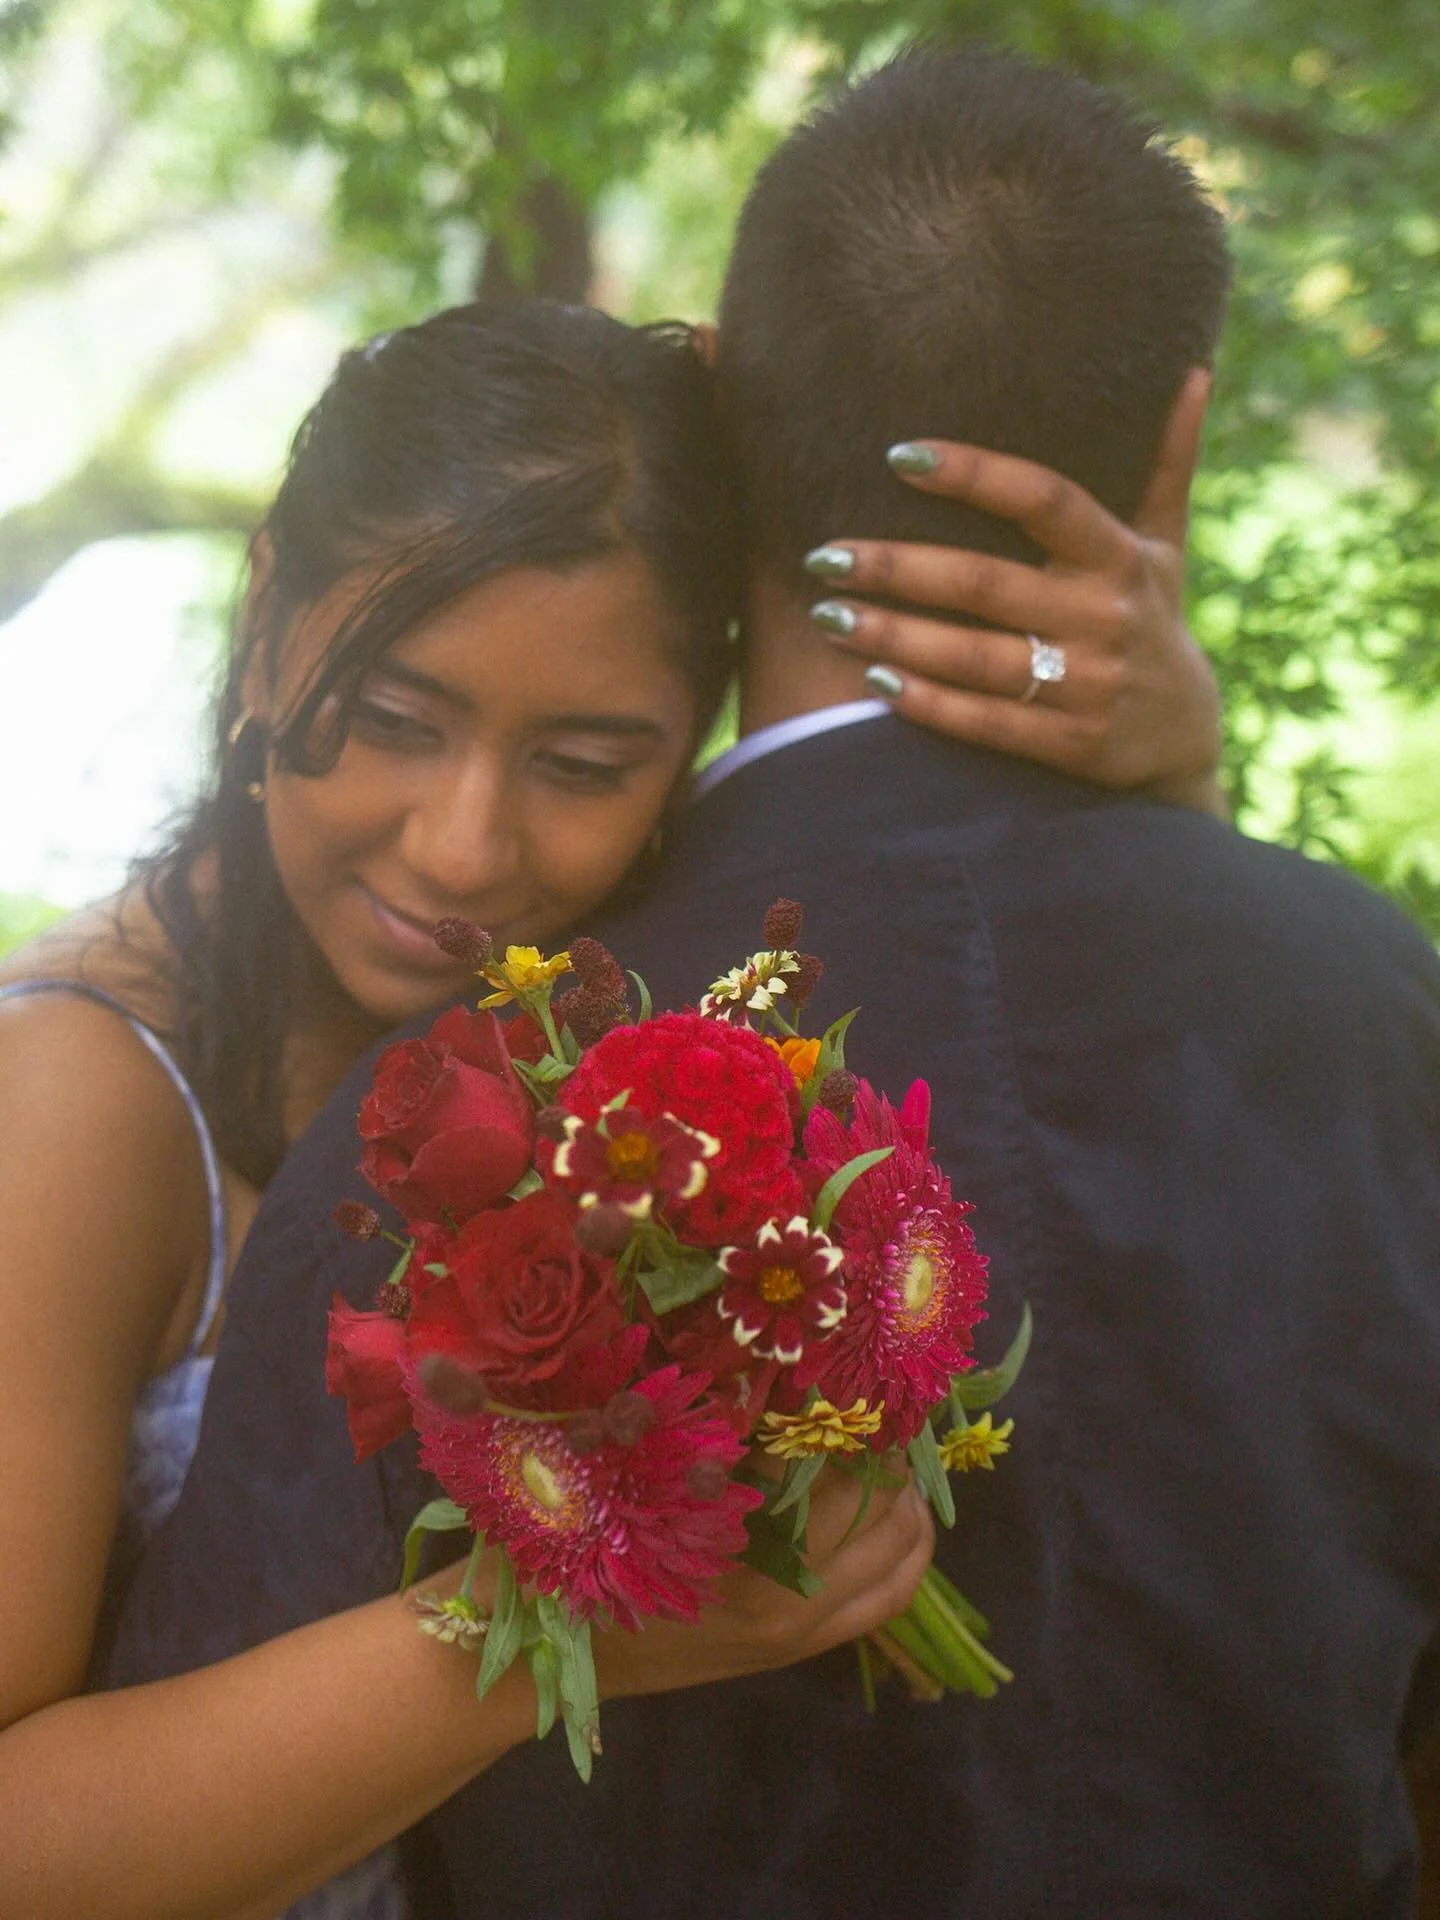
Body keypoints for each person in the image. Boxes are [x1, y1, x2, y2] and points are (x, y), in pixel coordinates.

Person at [106, 42, 1440, 1920]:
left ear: (723, 424)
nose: (466, 848)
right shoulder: (1387, 1025)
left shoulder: (463, 1130)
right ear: (1184, 444)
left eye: (565, 762)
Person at [0, 287, 1219, 1916]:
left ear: (703, 725)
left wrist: (1178, 778)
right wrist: (557, 1620)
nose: (460, 848)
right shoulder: (73, 1101)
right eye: (393, 718)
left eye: (583, 766)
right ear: (266, 608)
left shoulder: (644, 1010)